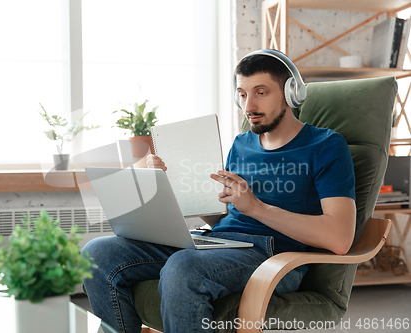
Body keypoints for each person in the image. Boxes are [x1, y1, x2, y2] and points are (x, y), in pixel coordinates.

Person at [82, 50, 356, 333]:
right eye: (242, 94)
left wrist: (257, 208)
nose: (249, 105)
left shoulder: (326, 146)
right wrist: (173, 187)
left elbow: (339, 237)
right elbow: (225, 217)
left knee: (183, 268)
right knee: (97, 253)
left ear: (290, 93)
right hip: (218, 242)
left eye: (261, 92)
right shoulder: (242, 144)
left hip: (273, 256)